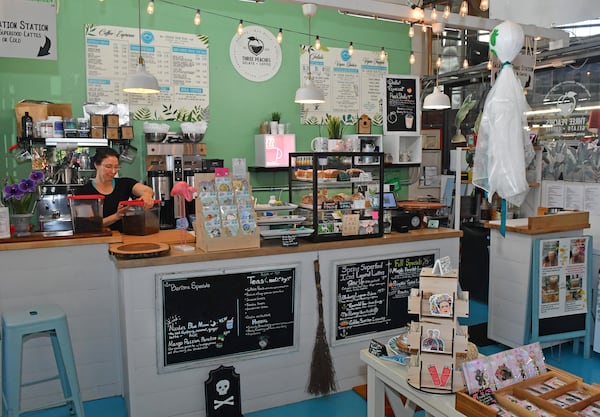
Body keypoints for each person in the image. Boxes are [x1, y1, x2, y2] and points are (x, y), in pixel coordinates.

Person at [77, 147, 154, 231]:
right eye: (108, 167)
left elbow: (146, 190)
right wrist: (116, 216)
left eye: (116, 167)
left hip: (125, 237)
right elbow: (89, 225)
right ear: (96, 165)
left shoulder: (124, 183)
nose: (113, 171)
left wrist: (147, 195)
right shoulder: (83, 192)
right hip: (99, 241)